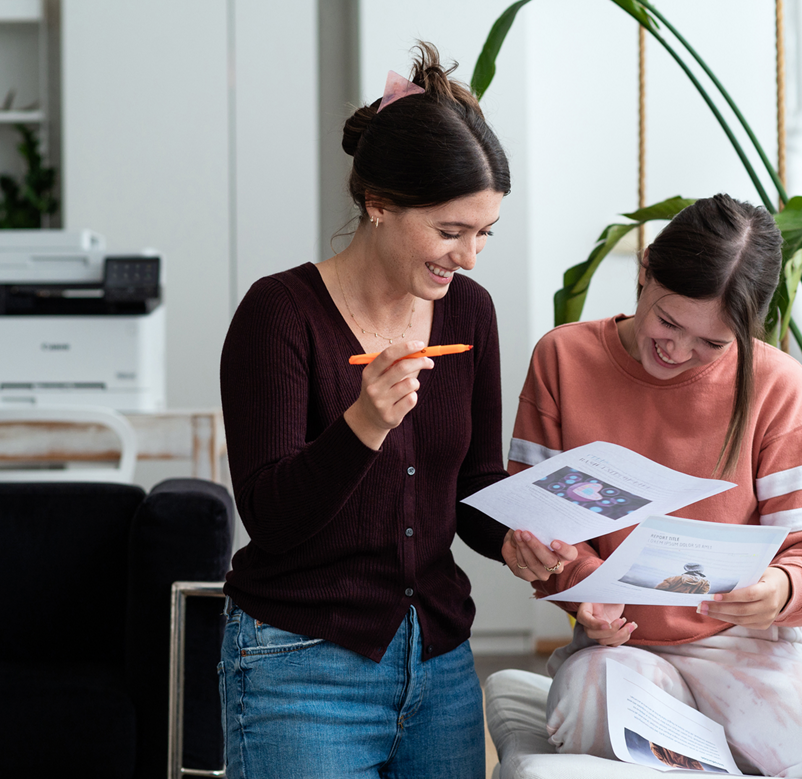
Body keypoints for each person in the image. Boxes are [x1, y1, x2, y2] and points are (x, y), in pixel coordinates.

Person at [218, 42, 561, 778]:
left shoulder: (469, 311)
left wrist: (514, 539)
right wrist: (363, 425)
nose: (468, 257)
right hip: (300, 662)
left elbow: (469, 484)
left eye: (483, 234)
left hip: (438, 663)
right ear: (379, 204)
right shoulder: (278, 314)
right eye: (449, 232)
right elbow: (271, 517)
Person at [490, 194, 802, 778]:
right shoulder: (563, 358)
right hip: (619, 649)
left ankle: (701, 742)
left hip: (743, 644)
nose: (678, 351)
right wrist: (581, 585)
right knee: (587, 710)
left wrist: (779, 590)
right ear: (644, 273)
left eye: (713, 344)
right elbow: (539, 525)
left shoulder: (780, 387)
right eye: (668, 321)